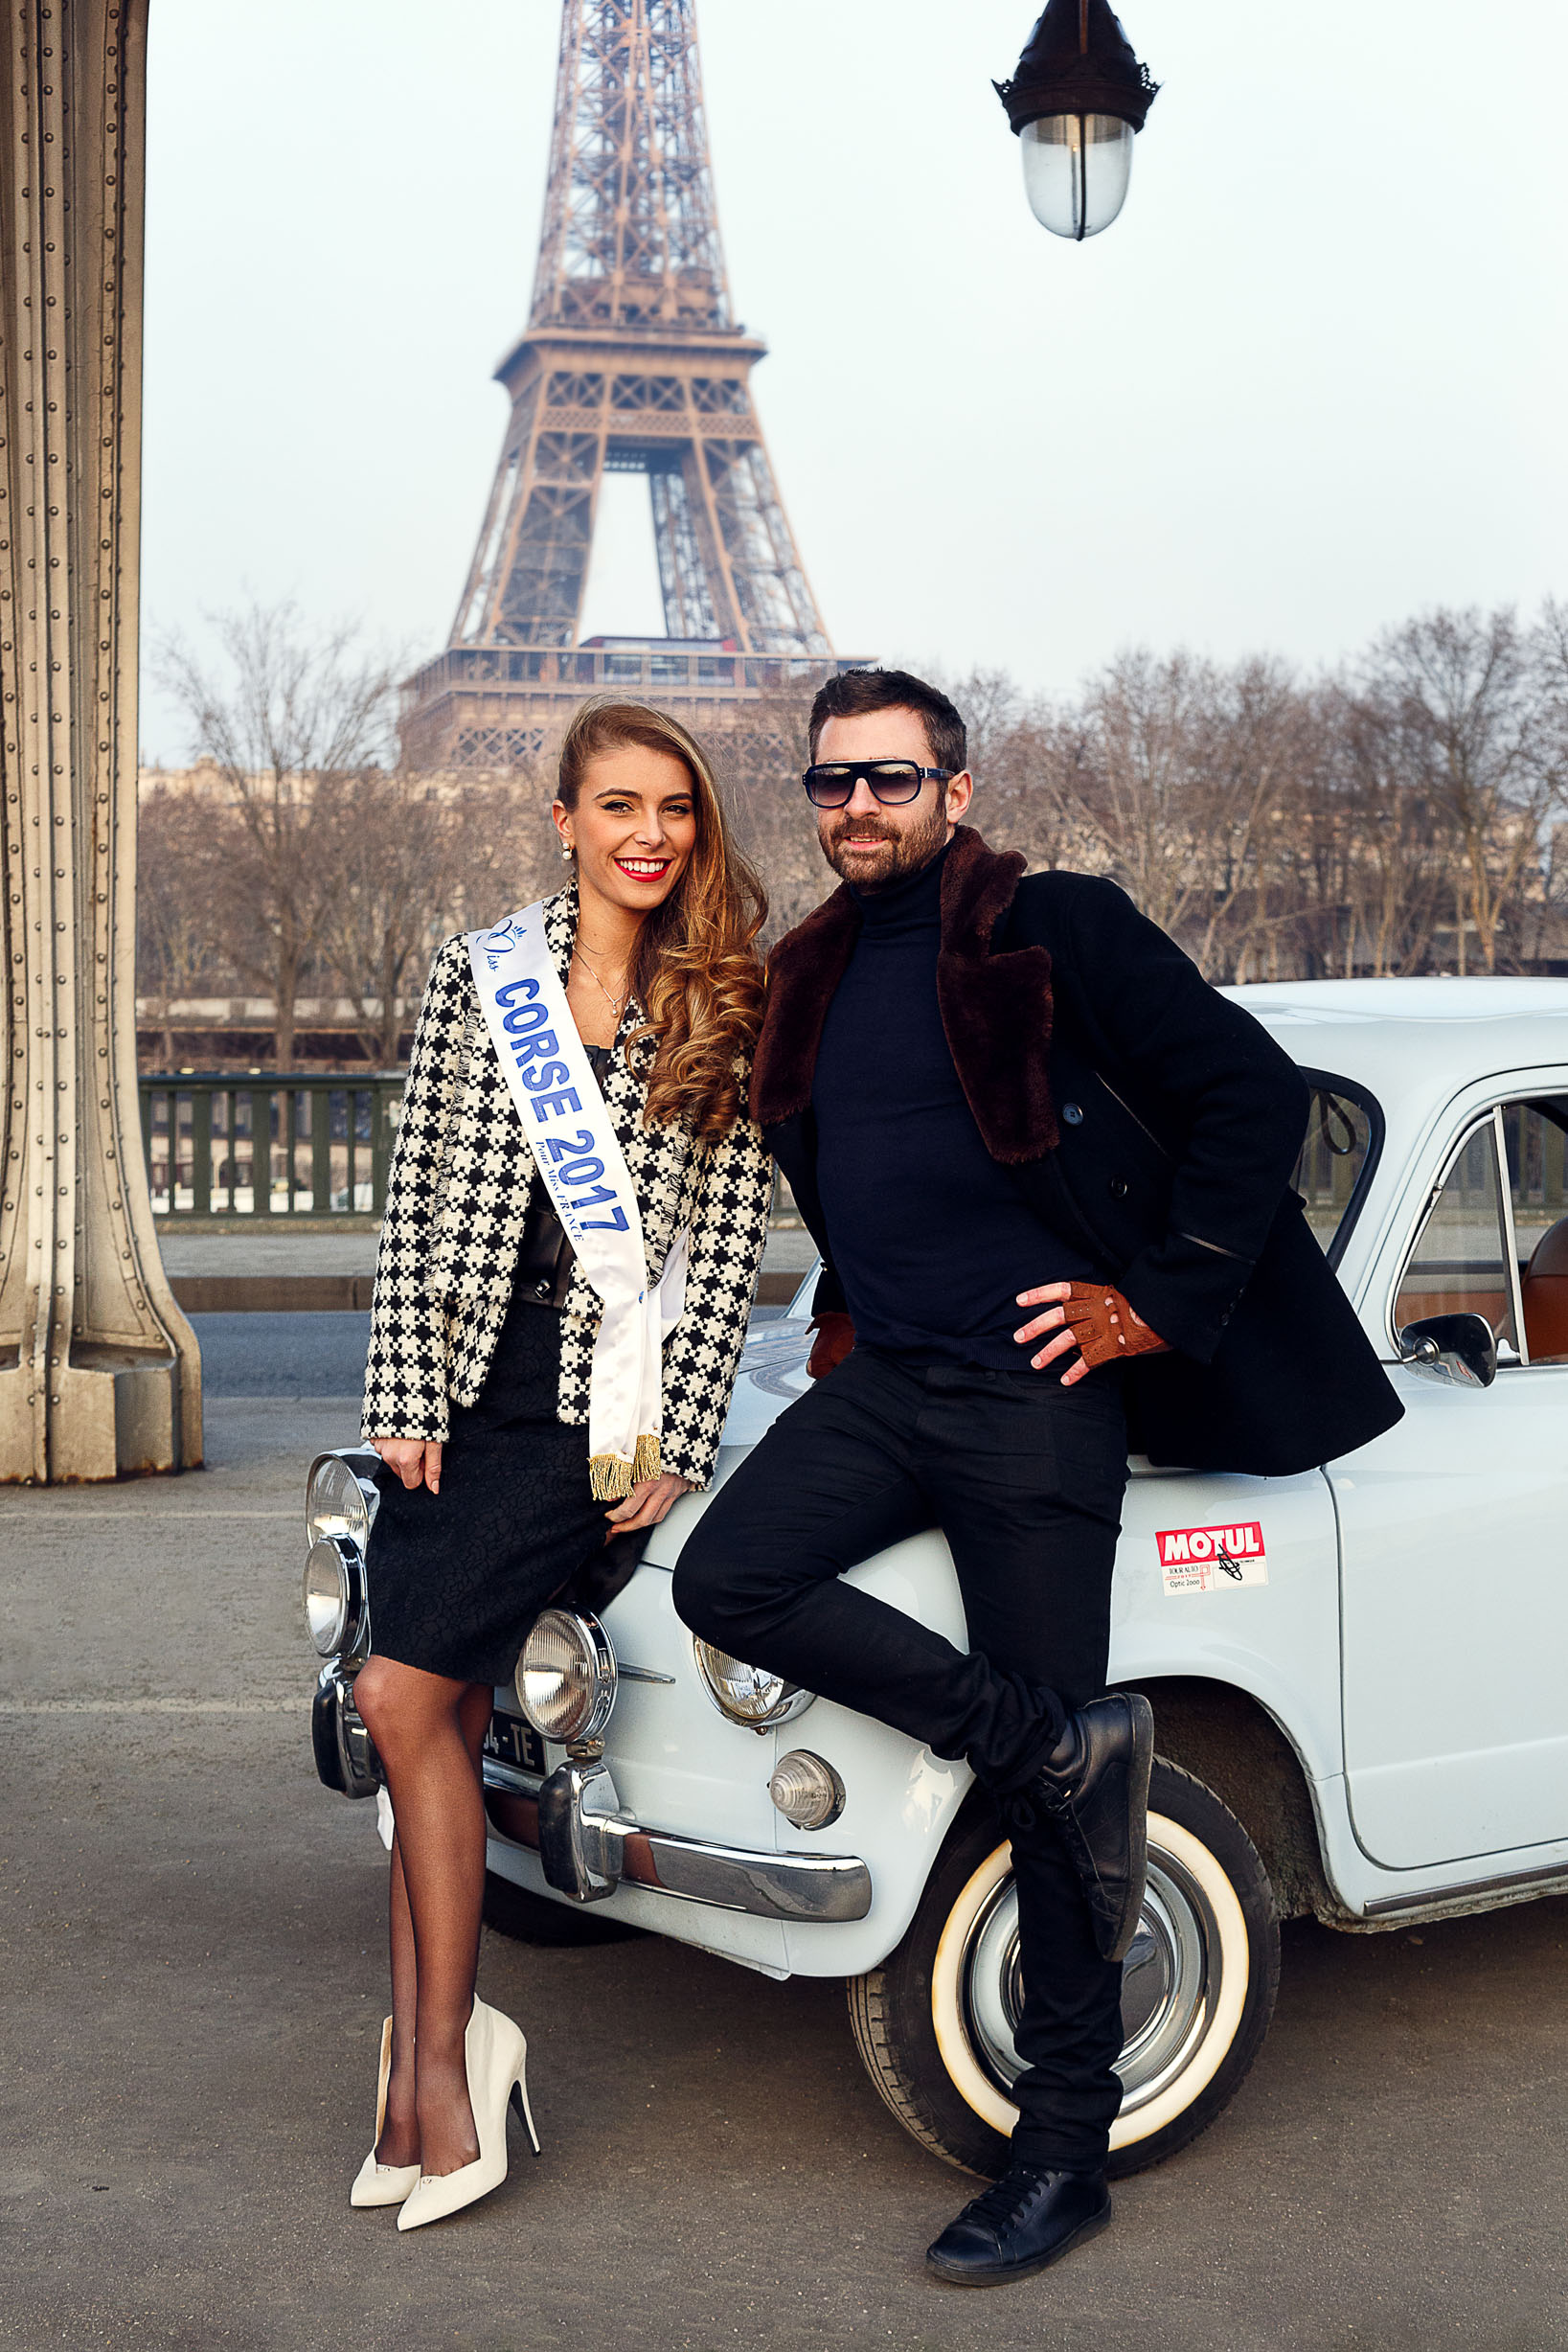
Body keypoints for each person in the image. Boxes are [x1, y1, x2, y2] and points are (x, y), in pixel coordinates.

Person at [672, 667, 1401, 2287]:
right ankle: (1051, 1742)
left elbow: (1247, 1091)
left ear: (956, 788)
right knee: (730, 1578)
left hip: (1034, 1398)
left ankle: (1062, 2148)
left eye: (890, 776)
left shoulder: (1052, 924)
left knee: (1040, 1824)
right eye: (831, 781)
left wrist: (1155, 1297)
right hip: (889, 1382)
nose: (858, 804)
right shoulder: (805, 967)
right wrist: (850, 1310)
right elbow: (847, 1171)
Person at [350, 697, 772, 2231]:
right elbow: (416, 1193)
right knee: (437, 1715)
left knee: (401, 1700)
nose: (648, 834)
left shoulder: (724, 996)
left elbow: (728, 1239)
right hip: (464, 1390)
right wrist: (405, 1388)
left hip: (600, 1402)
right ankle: (428, 2072)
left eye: (674, 807)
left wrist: (682, 1432)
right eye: (618, 806)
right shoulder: (483, 971)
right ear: (564, 821)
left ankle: (442, 2073)